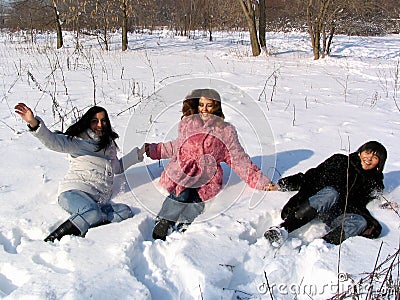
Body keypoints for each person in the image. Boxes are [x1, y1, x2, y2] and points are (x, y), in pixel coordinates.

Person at [145, 88, 276, 240]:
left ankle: (184, 224)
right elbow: (177, 146)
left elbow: (239, 160)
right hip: (184, 171)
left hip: (208, 177)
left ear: (216, 107)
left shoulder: (225, 131)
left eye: (209, 105)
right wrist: (154, 150)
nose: (204, 109)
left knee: (198, 199)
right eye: (201, 104)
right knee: (181, 194)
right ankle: (164, 221)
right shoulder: (188, 123)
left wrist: (260, 181)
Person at [15, 103, 145, 242]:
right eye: (95, 121)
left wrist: (137, 154)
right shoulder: (78, 141)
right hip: (73, 193)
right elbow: (53, 141)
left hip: (97, 200)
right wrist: (34, 123)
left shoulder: (108, 146)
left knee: (124, 212)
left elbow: (117, 168)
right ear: (88, 123)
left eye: (103, 120)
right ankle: (51, 241)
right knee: (91, 212)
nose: (100, 125)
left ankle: (91, 226)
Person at [264, 141, 388, 247]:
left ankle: (322, 245)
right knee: (332, 193)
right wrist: (281, 185)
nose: (369, 159)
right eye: (367, 153)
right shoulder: (340, 161)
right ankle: (283, 229)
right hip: (318, 201)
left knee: (360, 222)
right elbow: (310, 177)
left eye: (375, 157)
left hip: (335, 213)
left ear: (379, 163)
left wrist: (385, 204)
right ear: (360, 152)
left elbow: (373, 198)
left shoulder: (372, 182)